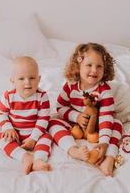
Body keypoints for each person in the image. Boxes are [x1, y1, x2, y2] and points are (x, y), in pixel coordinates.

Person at [49, 43, 123, 176]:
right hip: (74, 126)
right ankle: (73, 150)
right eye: (89, 65)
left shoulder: (104, 90)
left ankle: (109, 159)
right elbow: (60, 107)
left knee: (117, 124)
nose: (94, 70)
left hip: (97, 127)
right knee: (52, 122)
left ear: (105, 69)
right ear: (78, 66)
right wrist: (75, 116)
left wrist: (104, 143)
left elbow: (106, 117)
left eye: (99, 66)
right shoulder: (70, 86)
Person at [0, 56, 52, 174]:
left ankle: (39, 160)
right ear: (12, 81)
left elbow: (43, 119)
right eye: (21, 78)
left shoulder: (42, 96)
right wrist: (8, 128)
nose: (27, 82)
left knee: (47, 137)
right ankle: (24, 157)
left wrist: (33, 138)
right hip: (15, 133)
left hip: (34, 133)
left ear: (39, 79)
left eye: (32, 78)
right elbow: (0, 113)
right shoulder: (8, 96)